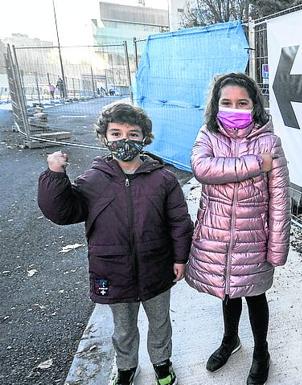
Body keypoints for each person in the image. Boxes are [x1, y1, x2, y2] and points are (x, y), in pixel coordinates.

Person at [38, 102, 193, 385]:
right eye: (116, 133)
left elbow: (179, 222)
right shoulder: (93, 180)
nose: (125, 140)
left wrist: (180, 258)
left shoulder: (163, 179)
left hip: (156, 268)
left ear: (145, 137)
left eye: (133, 134)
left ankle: (161, 364)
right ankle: (126, 367)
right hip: (113, 271)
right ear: (104, 138)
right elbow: (62, 212)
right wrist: (55, 175)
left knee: (160, 324)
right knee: (123, 328)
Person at [185, 72, 290, 385]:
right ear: (216, 105)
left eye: (241, 102)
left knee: (255, 296)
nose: (234, 107)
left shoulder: (270, 141)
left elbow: (280, 198)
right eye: (226, 102)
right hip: (217, 237)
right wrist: (257, 164)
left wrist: (277, 247)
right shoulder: (208, 135)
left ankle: (262, 352)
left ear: (253, 105)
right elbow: (203, 169)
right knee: (227, 292)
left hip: (253, 238)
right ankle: (230, 341)